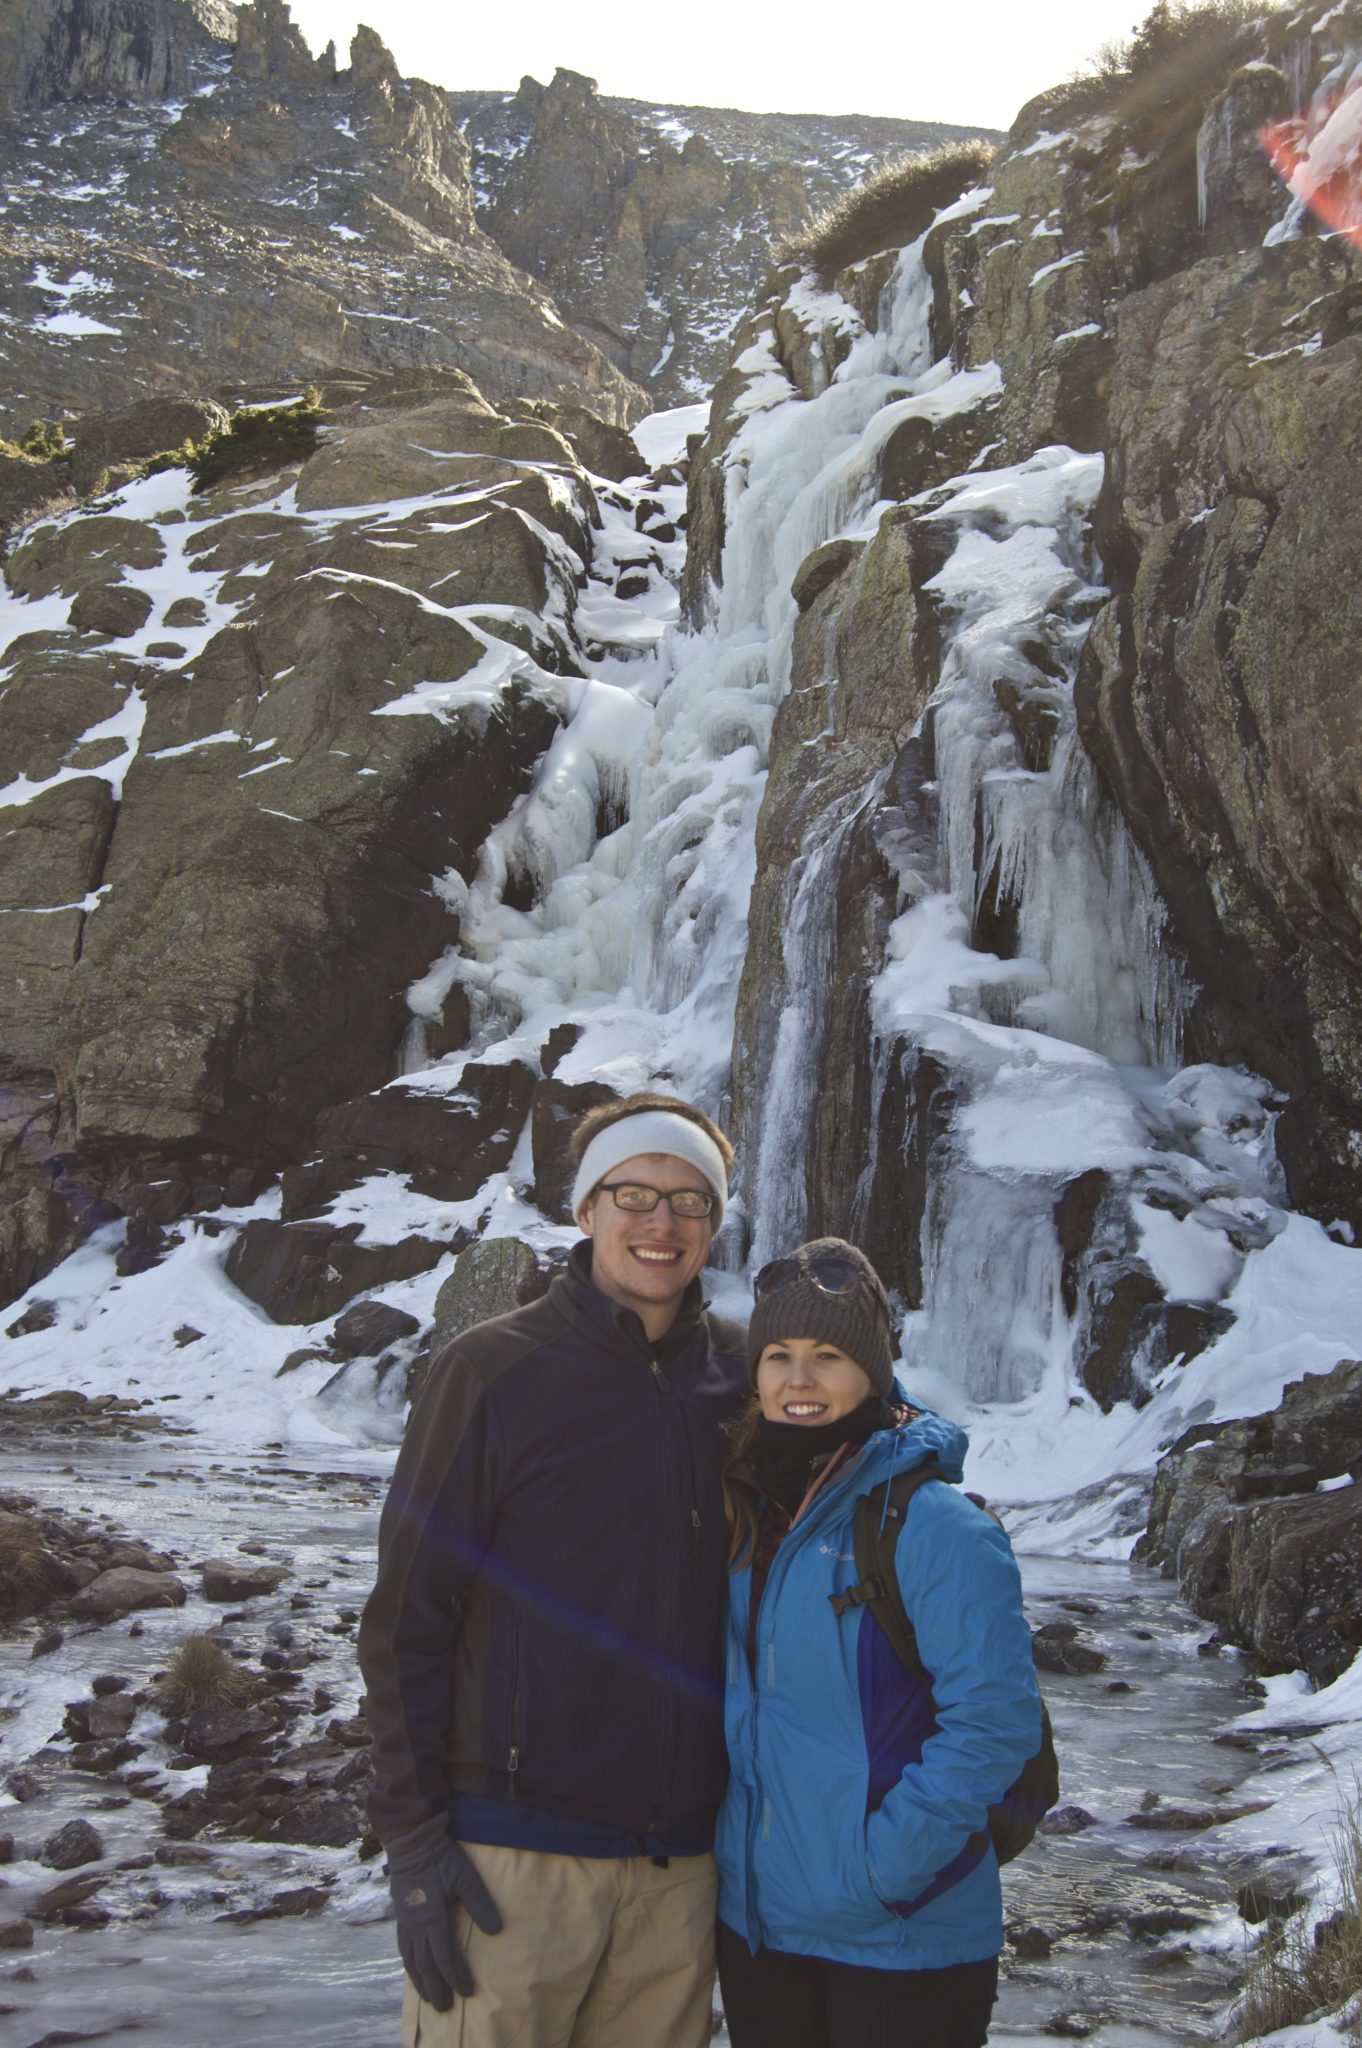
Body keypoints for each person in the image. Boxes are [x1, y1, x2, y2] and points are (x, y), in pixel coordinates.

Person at [358, 1091, 747, 2048]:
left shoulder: (747, 1381)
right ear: (585, 1211)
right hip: (512, 1863)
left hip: (685, 1872)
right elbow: (406, 1617)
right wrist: (414, 1846)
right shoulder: (492, 1371)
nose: (662, 1223)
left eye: (690, 1201)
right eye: (634, 1194)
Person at [714, 1238, 1042, 2048]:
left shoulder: (937, 1526)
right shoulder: (746, 1510)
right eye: (779, 1356)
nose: (798, 1380)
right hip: (759, 1927)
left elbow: (996, 1723)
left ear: (873, 1371)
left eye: (827, 1355)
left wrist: (879, 1876)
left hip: (901, 1936)